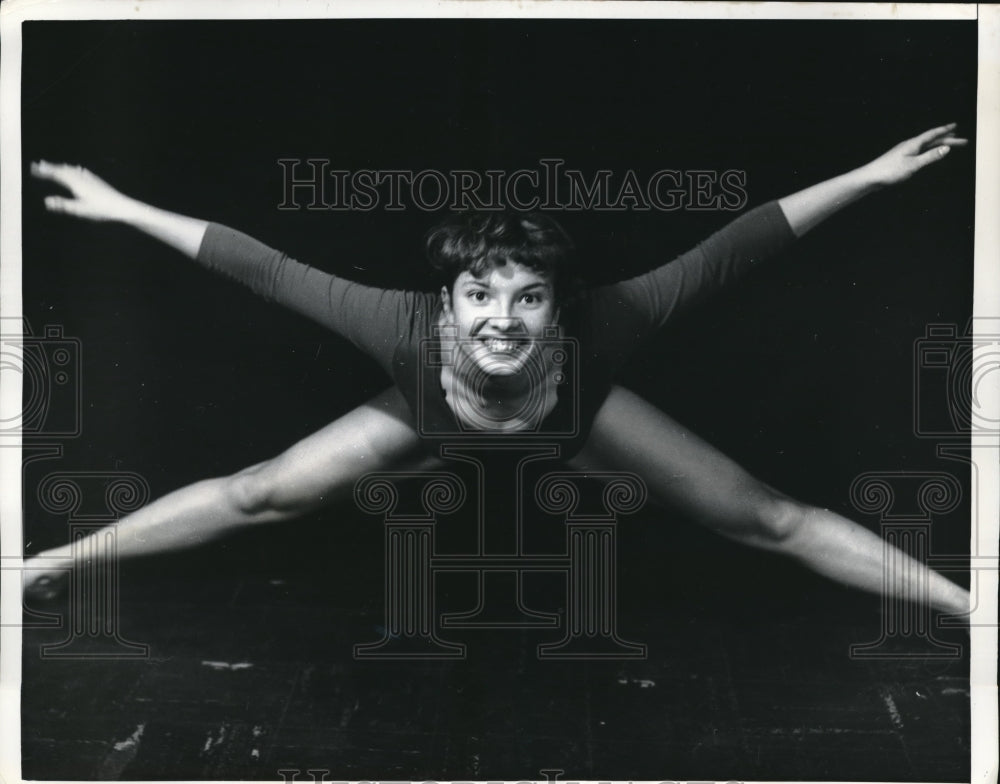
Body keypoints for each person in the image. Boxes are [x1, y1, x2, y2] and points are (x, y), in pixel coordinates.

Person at [23, 124, 971, 617]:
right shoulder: (396, 326)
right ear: (447, 306)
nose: (503, 319)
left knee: (767, 517)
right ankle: (51, 563)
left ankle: (973, 606)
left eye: (528, 298)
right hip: (432, 419)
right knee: (262, 492)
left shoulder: (612, 322)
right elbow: (258, 264)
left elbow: (739, 245)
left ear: (561, 307)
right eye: (481, 296)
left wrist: (871, 176)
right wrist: (119, 206)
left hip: (574, 422)